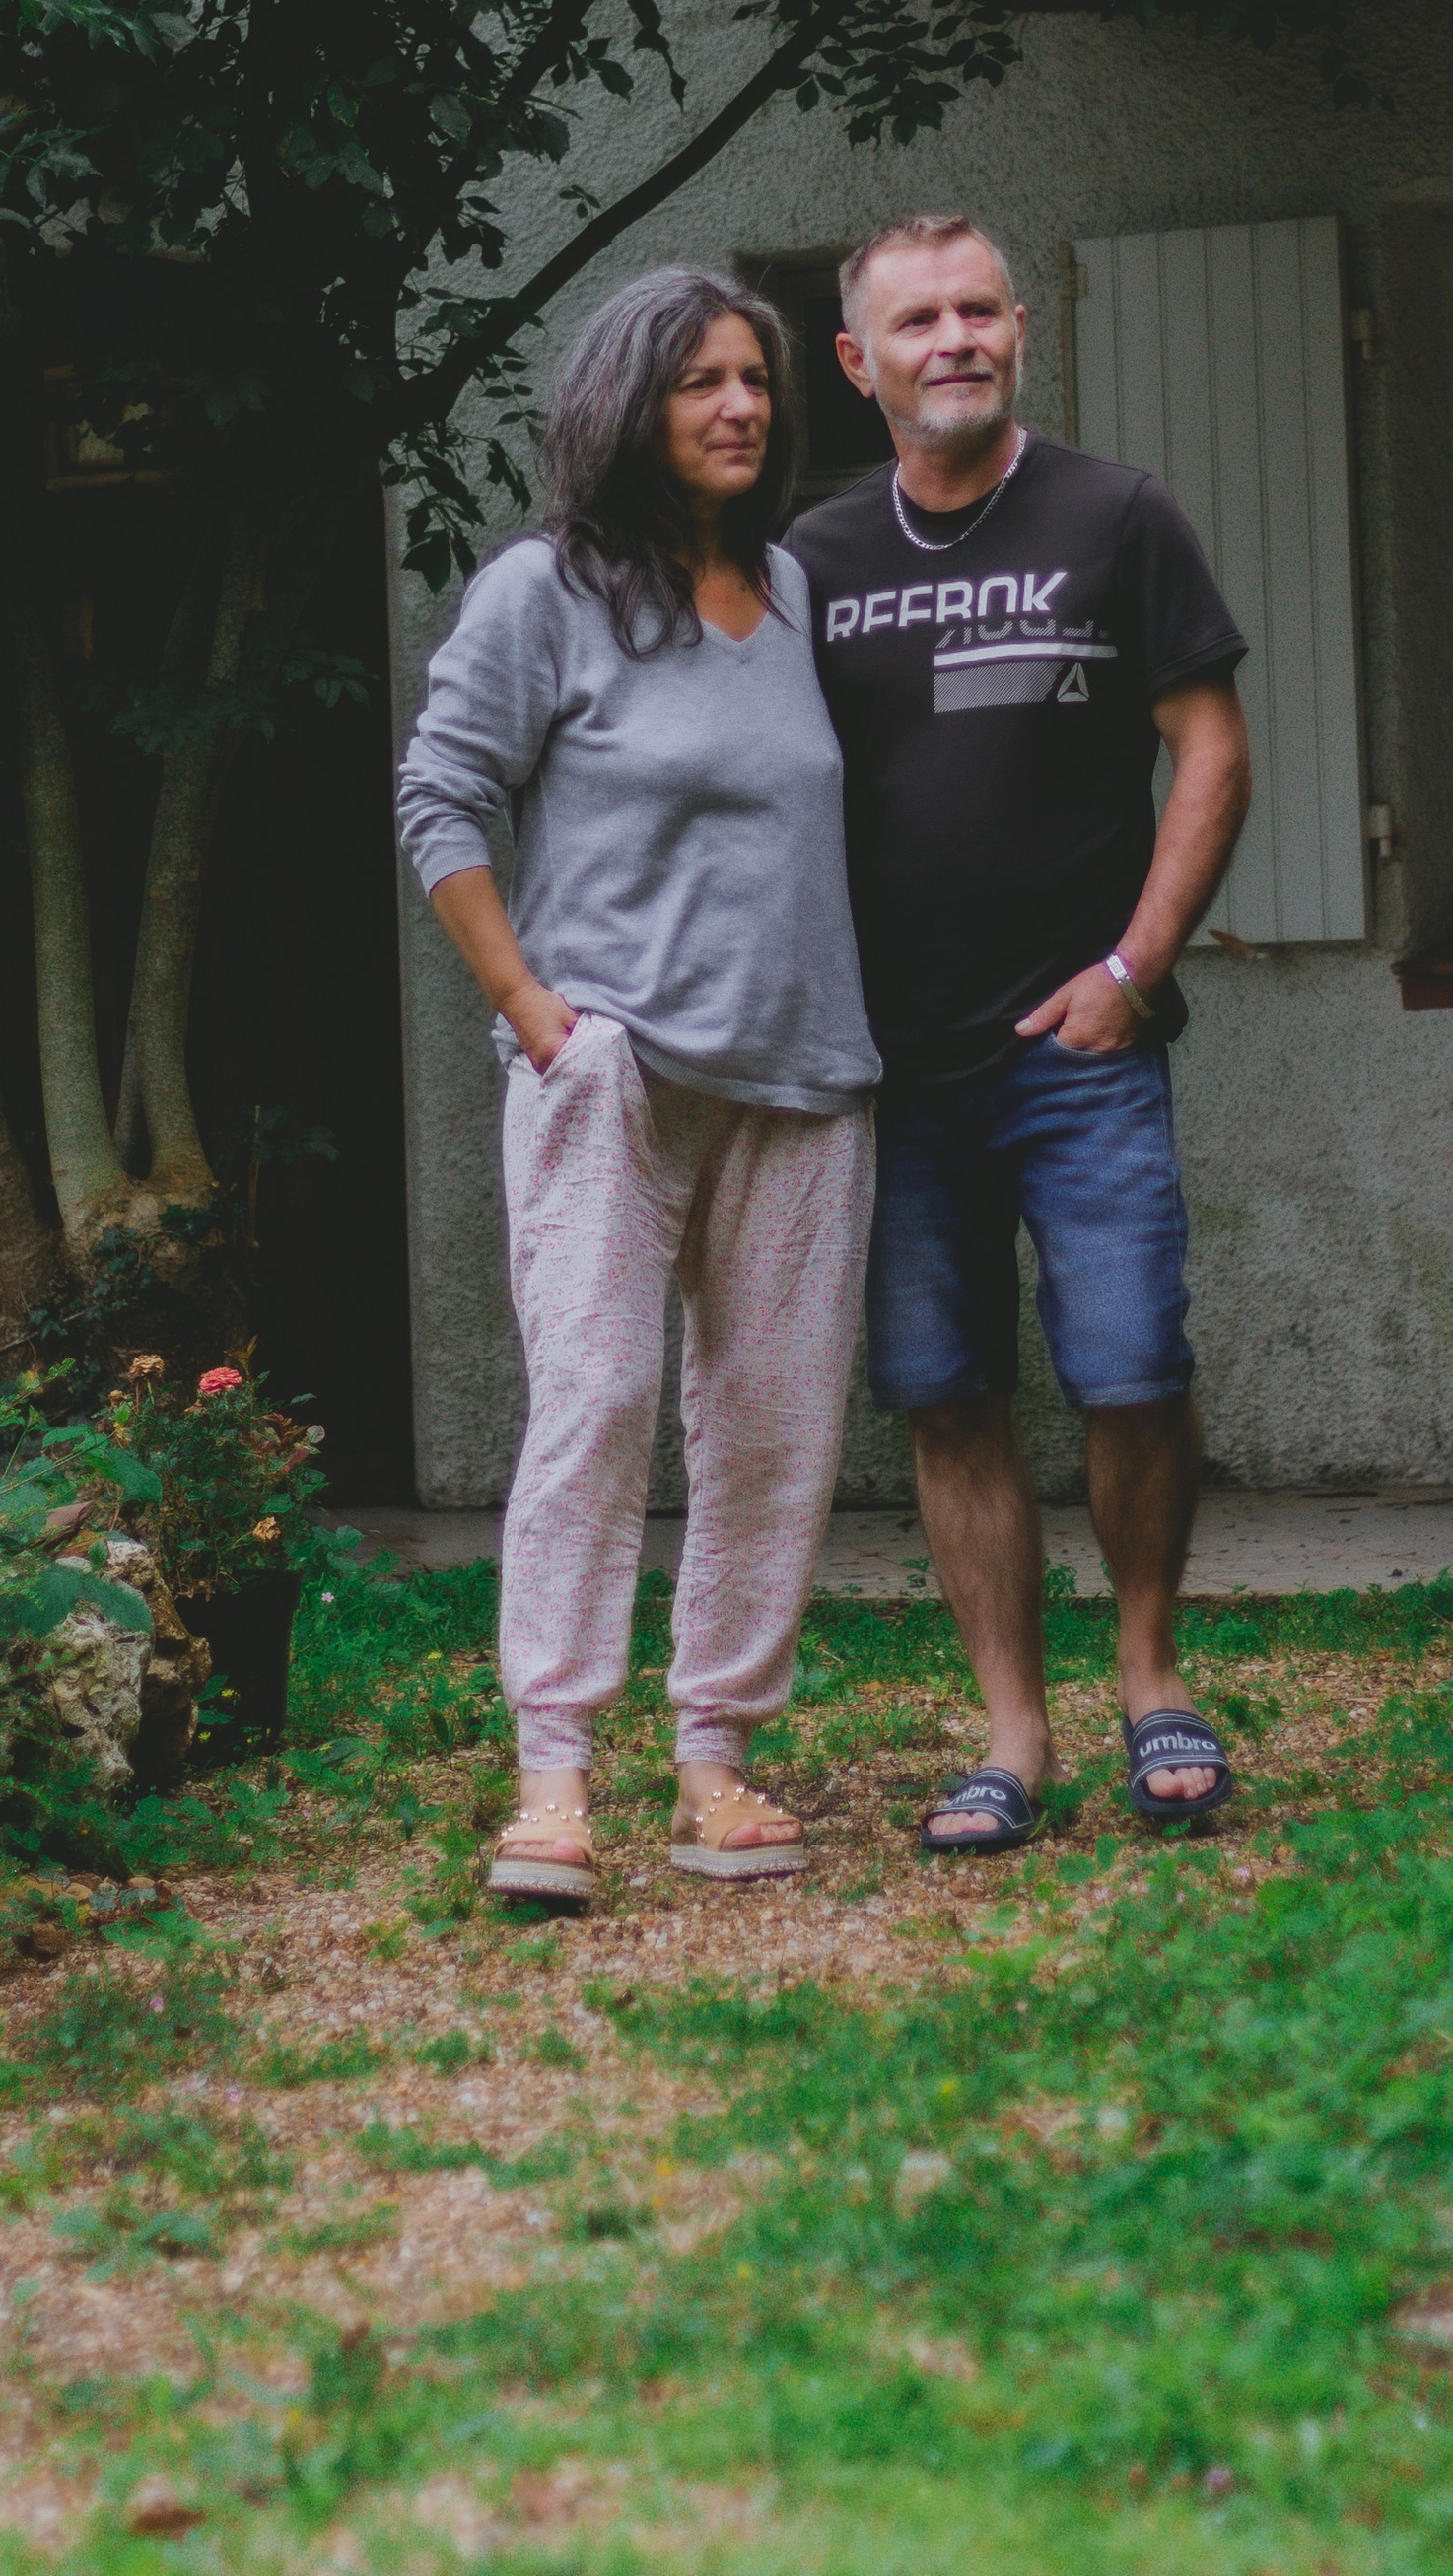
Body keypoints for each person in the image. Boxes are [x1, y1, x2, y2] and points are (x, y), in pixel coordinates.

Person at [396, 266, 880, 1905]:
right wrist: (532, 1010)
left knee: (774, 1431)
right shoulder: (544, 591)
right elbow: (440, 796)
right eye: (699, 382)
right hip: (611, 1070)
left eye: (754, 379)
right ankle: (553, 1781)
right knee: (594, 1407)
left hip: (803, 1076)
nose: (741, 405)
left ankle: (716, 1763)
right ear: (627, 404)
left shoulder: (792, 589)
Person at [787, 212, 1253, 1854]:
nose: (956, 341)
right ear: (858, 362)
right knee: (944, 1394)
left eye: (979, 310)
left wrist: (1133, 966)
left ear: (1020, 331)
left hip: (1081, 1054)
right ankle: (1010, 1734)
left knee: (1132, 1369)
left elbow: (1210, 752)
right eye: (917, 321)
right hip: (892, 1072)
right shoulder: (812, 563)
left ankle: (1152, 1678)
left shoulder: (1116, 516)